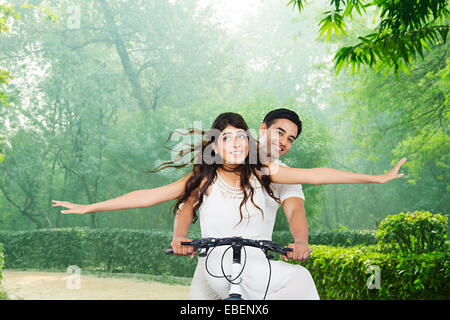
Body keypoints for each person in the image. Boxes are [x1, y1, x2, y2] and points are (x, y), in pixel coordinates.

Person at [160, 112, 406, 300]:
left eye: (291, 139)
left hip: (250, 260)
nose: (284, 142)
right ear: (262, 129)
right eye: (279, 132)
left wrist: (300, 241)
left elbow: (296, 210)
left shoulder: (285, 174)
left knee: (294, 282)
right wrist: (180, 236)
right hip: (211, 259)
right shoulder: (222, 164)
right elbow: (187, 203)